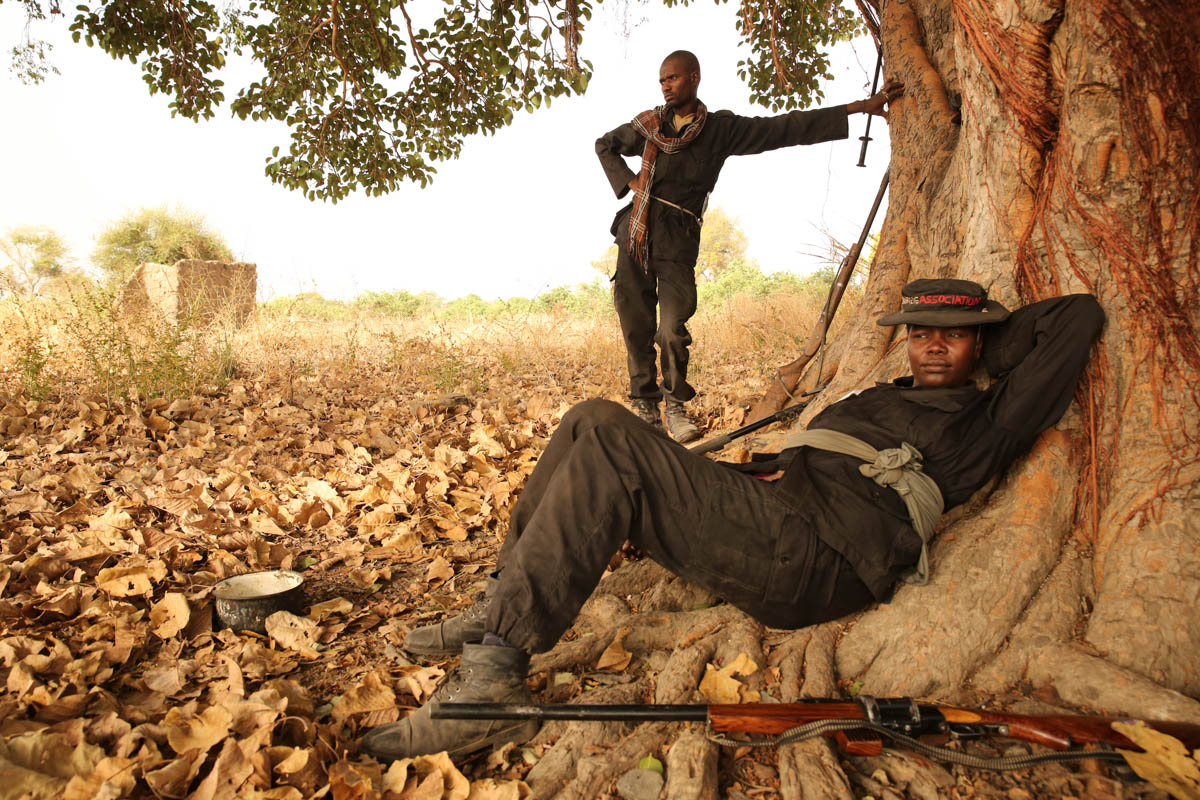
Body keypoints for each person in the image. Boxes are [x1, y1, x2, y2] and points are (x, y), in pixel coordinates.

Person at [360, 279, 1106, 762]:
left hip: (818, 557)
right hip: (773, 514)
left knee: (615, 444)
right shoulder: (880, 395)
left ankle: (491, 689)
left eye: (955, 333)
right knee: (591, 420)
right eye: (919, 331)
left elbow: (1078, 318)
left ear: (983, 342)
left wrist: (994, 331)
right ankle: (500, 608)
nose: (932, 344)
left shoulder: (987, 419)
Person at [595, 49, 903, 442]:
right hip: (635, 232)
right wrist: (628, 182)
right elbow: (604, 144)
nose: (666, 86)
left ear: (694, 77)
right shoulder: (649, 125)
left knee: (672, 327)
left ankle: (675, 406)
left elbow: (783, 128)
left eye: (672, 78)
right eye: (661, 80)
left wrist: (858, 107)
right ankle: (645, 407)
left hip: (678, 239)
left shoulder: (720, 129)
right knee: (635, 324)